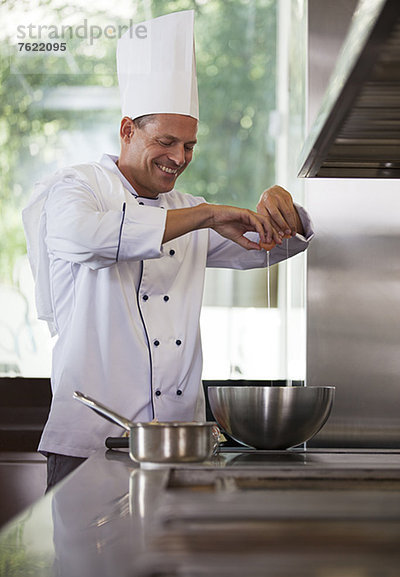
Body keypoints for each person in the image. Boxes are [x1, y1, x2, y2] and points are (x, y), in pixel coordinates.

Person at [22, 10, 314, 490]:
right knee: (87, 567)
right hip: (91, 445)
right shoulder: (77, 187)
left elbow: (263, 246)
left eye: (190, 146)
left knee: (171, 566)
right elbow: (88, 237)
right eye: (166, 141)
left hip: (179, 442)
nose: (179, 158)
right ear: (126, 130)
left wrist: (290, 212)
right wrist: (204, 215)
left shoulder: (188, 208)